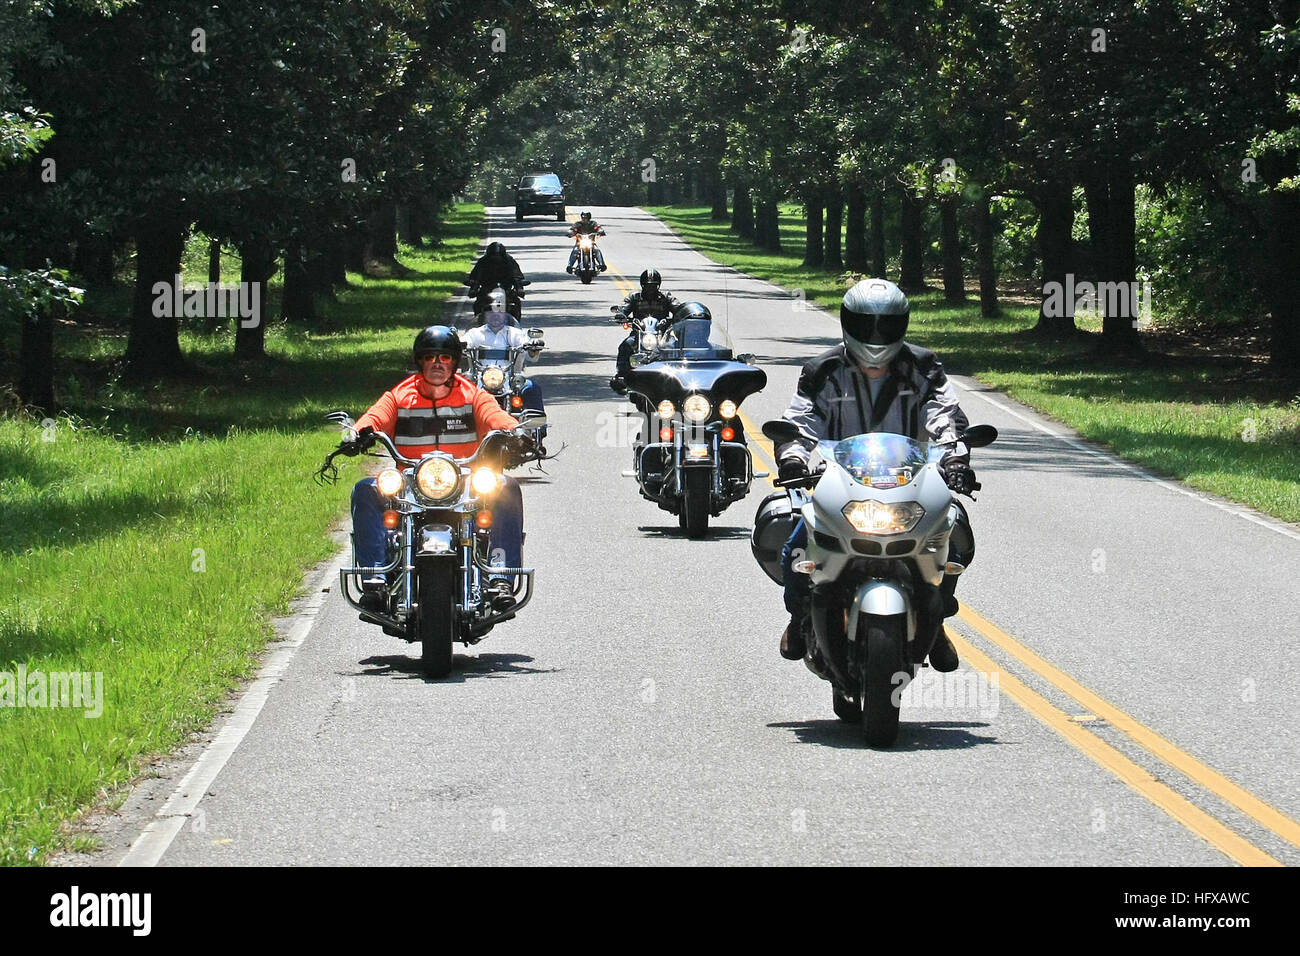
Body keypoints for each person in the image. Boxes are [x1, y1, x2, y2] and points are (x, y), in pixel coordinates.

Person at [773, 278, 975, 672]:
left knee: (960, 535)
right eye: (868, 324)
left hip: (911, 483)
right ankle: (799, 618)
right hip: (840, 486)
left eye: (887, 324)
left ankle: (938, 619)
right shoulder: (823, 370)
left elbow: (945, 416)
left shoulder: (923, 367)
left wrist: (955, 461)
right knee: (795, 548)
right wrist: (794, 457)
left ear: (903, 324)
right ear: (849, 323)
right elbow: (800, 421)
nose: (877, 334)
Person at [349, 325, 529, 612]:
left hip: (464, 481)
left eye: (444, 357)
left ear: (454, 362)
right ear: (419, 361)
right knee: (365, 490)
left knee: (506, 487)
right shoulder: (399, 395)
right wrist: (359, 432)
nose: (437, 364)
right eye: (430, 357)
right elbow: (376, 415)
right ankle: (375, 576)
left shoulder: (472, 395)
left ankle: (501, 576)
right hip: (410, 483)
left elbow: (494, 415)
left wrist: (514, 430)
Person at [463, 290, 547, 432]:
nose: (496, 315)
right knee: (457, 390)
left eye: (500, 311)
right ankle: (457, 431)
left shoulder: (515, 334)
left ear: (505, 313)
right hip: (481, 380)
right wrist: (455, 343)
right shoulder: (475, 334)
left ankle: (537, 432)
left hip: (510, 380)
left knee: (532, 388)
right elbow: (464, 342)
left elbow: (529, 353)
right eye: (491, 311)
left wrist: (533, 347)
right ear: (485, 314)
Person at [609, 268, 682, 394]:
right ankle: (621, 376)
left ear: (658, 286)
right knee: (625, 345)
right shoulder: (634, 297)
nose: (650, 289)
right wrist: (621, 314)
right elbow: (623, 308)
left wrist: (680, 315)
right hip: (639, 333)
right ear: (642, 285)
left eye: (653, 286)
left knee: (675, 347)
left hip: (662, 334)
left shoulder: (666, 297)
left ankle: (680, 376)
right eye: (648, 286)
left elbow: (679, 309)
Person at [467, 241, 526, 315]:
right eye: (493, 255)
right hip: (486, 290)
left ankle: (515, 322)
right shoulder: (482, 262)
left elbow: (516, 275)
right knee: (478, 304)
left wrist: (519, 288)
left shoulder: (509, 261)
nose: (496, 258)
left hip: (506, 290)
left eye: (499, 256)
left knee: (515, 302)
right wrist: (473, 288)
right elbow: (475, 276)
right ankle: (479, 320)